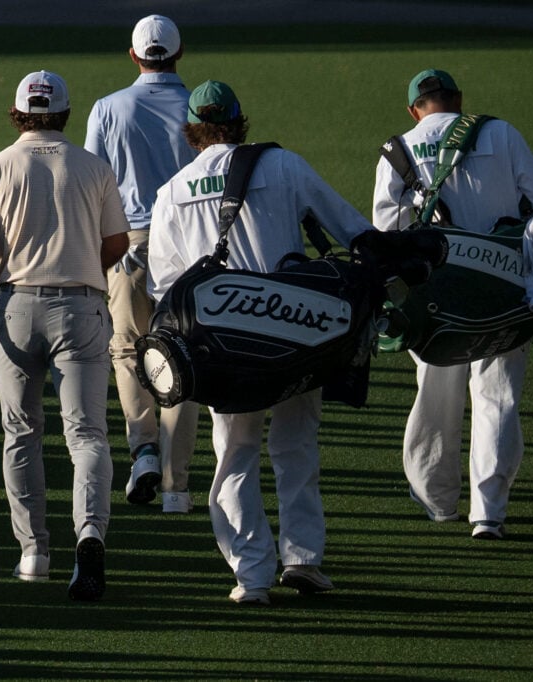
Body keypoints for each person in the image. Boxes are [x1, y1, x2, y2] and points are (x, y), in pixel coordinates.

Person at [148, 80, 379, 604]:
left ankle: (251, 573)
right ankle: (303, 559)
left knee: (235, 455)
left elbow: (164, 290)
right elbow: (352, 230)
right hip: (297, 332)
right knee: (296, 446)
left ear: (192, 131)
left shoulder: (172, 192)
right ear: (238, 121)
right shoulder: (282, 165)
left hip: (223, 350)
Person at [0, 70, 129, 600]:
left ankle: (33, 552)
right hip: (81, 308)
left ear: (18, 112)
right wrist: (81, 268)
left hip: (16, 311)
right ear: (66, 113)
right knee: (87, 435)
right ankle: (90, 535)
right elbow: (116, 241)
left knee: (21, 433)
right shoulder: (94, 167)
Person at [372, 68, 533, 540]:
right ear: (457, 100)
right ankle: (488, 511)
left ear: (415, 109)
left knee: (436, 391)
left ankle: (437, 500)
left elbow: (387, 232)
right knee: (497, 396)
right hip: (505, 288)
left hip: (433, 297)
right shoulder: (500, 132)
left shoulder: (397, 150)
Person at [84, 14, 201, 514]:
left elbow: (92, 186)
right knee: (185, 355)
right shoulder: (202, 106)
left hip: (130, 241)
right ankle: (176, 486)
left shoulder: (108, 108)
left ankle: (144, 448)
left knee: (128, 348)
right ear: (179, 53)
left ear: (133, 56)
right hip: (194, 247)